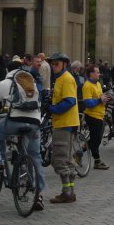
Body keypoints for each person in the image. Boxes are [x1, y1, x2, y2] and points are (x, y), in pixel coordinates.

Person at [0, 64, 46, 211]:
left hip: (15, 121)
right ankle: (38, 193)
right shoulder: (31, 82)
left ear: (7, 71)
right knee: (34, 156)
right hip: (34, 122)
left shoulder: (5, 83)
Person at [47, 52, 79, 204]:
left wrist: (52, 109)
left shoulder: (66, 79)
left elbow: (70, 101)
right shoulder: (61, 78)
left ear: (64, 65)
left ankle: (67, 193)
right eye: (52, 64)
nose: (53, 66)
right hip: (66, 123)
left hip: (64, 123)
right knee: (67, 159)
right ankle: (70, 191)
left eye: (56, 64)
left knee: (59, 159)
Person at [82, 64, 110, 170]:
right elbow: (88, 103)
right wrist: (99, 100)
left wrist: (106, 99)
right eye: (97, 72)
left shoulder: (98, 83)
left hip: (100, 115)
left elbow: (100, 97)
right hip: (92, 116)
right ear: (91, 74)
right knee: (96, 140)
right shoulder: (87, 85)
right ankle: (97, 161)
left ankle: (80, 151)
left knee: (96, 140)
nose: (99, 74)